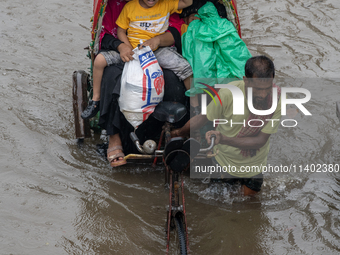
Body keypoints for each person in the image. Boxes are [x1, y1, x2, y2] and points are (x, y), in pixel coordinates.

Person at [172, 56, 282, 196]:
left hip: (254, 166)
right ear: (246, 81)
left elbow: (260, 141)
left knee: (248, 205)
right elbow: (203, 118)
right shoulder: (228, 94)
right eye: (257, 89)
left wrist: (223, 139)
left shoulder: (276, 99)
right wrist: (179, 133)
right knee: (218, 204)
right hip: (223, 162)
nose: (263, 94)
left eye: (267, 88)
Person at [81, 0, 194, 120]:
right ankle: (96, 100)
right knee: (100, 61)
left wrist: (157, 41)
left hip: (157, 50)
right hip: (131, 51)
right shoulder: (129, 7)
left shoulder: (167, 4)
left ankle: (195, 105)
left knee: (185, 68)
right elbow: (120, 30)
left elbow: (187, 3)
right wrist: (126, 47)